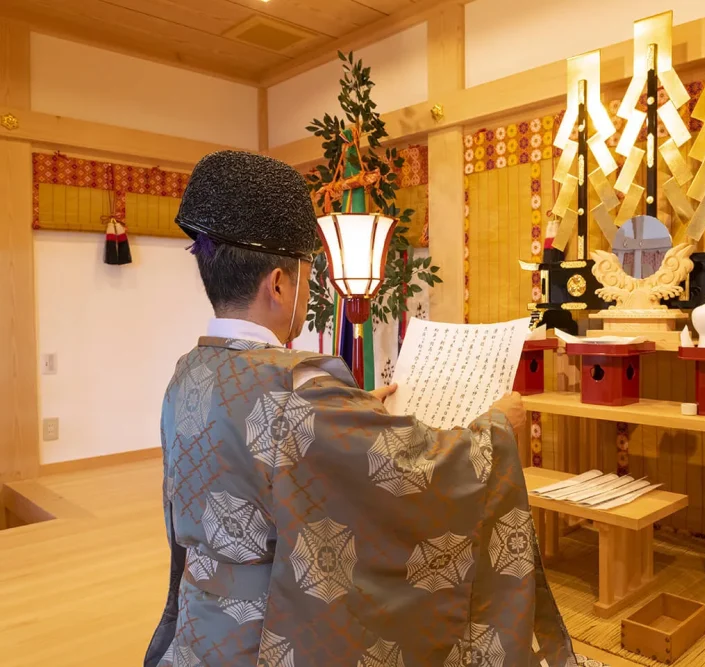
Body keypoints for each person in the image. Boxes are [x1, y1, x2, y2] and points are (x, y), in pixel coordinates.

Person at [144, 150, 576, 667]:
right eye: (308, 273)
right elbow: (420, 471)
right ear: (279, 284)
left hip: (201, 630)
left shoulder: (188, 372)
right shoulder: (300, 389)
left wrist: (350, 412)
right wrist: (497, 430)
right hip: (269, 635)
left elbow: (257, 456)